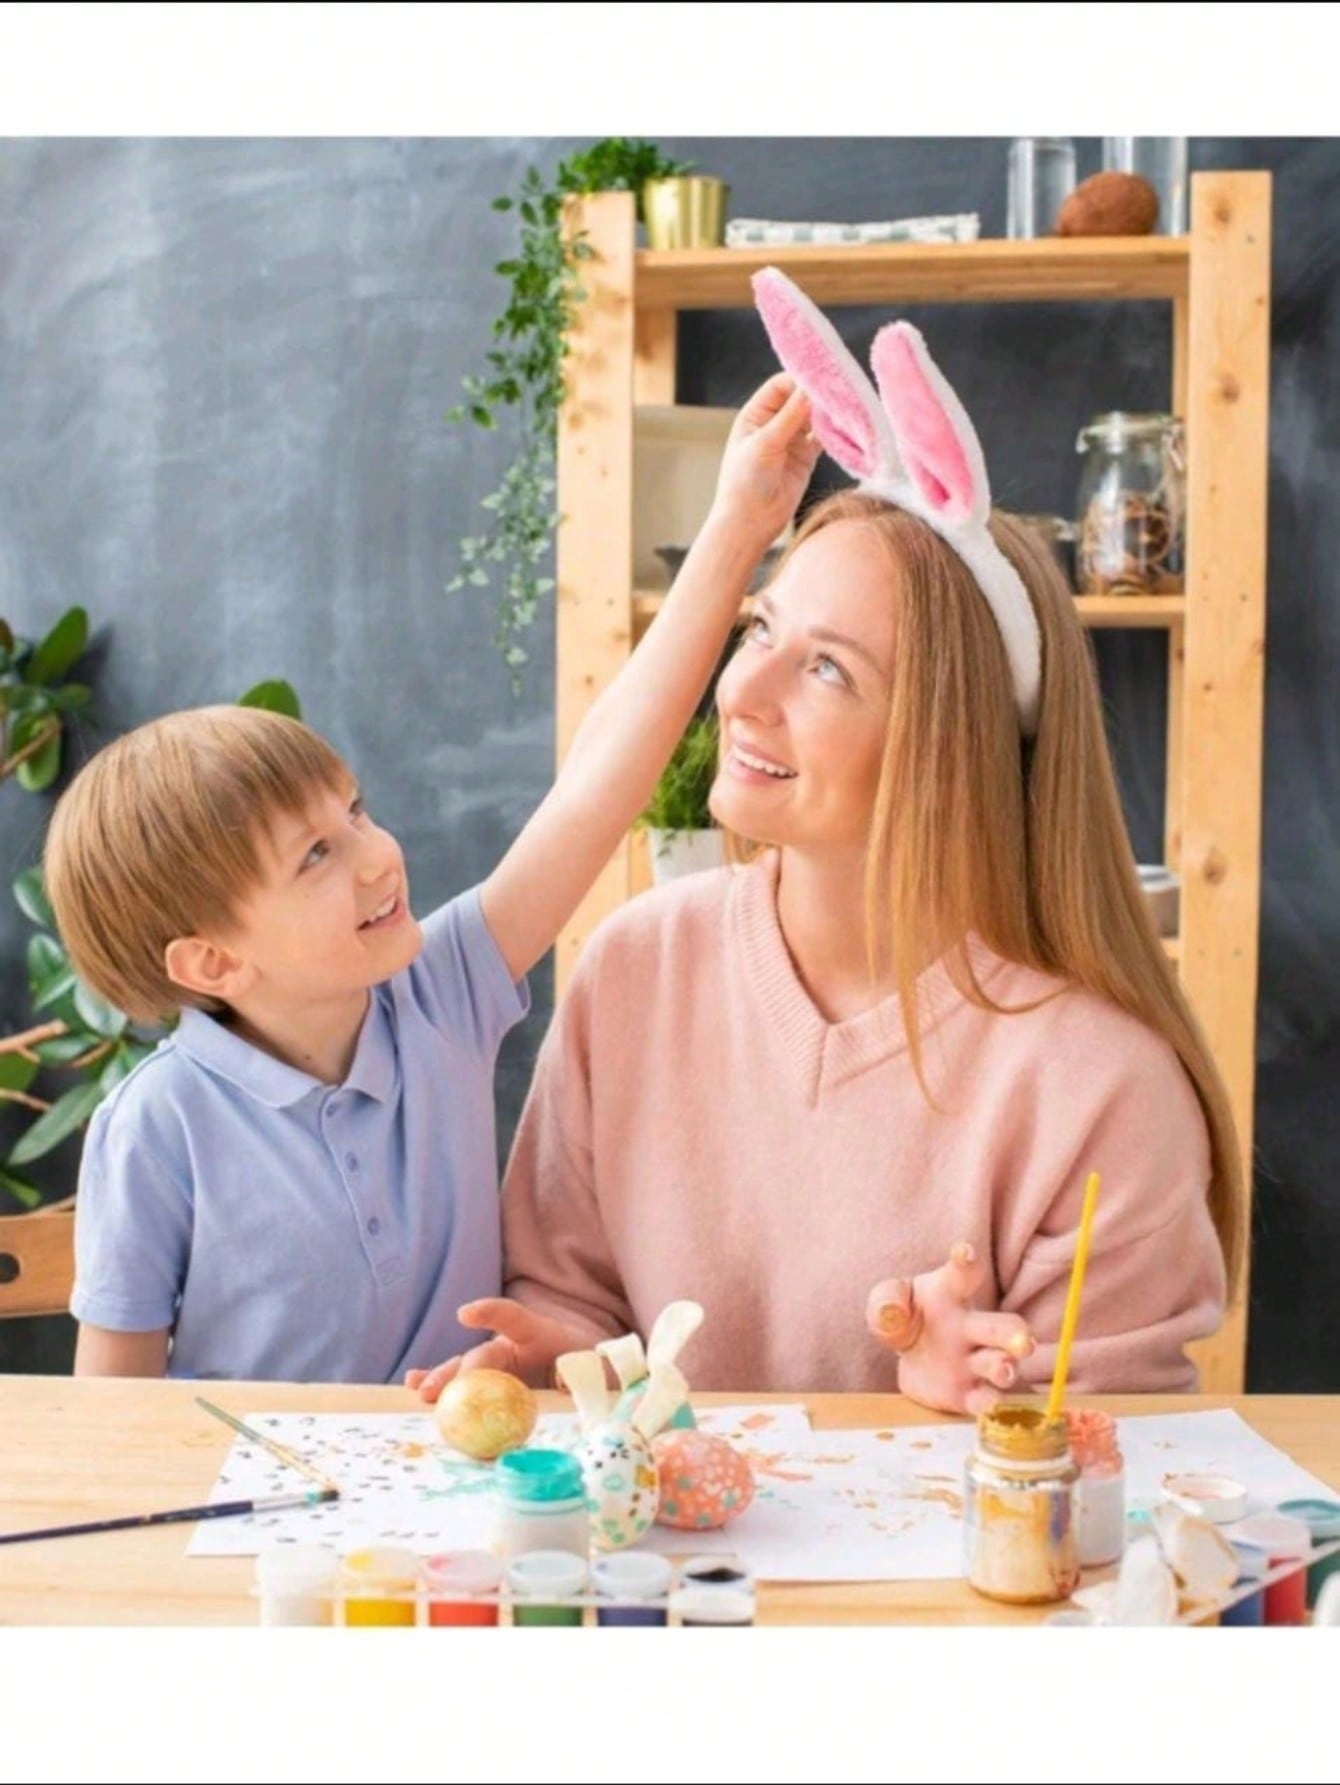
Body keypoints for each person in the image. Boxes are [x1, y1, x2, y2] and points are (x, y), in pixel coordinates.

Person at [409, 271, 1241, 1415]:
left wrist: (978, 1406)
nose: (740, 690)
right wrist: (556, 1356)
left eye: (826, 669)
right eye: (761, 628)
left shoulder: (1102, 1090)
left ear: (943, 748)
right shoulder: (633, 969)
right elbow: (574, 1300)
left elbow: (1111, 1472)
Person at [46, 371, 819, 1383]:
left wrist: (737, 522)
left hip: (459, 1498)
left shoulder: (438, 994)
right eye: (315, 855)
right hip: (246, 1531)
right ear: (209, 960)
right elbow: (113, 1416)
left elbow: (594, 789)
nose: (377, 856)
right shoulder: (156, 1127)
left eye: (355, 811)